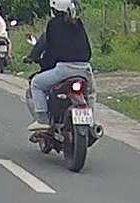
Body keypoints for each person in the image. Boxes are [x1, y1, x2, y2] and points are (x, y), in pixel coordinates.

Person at [25, 0, 92, 131]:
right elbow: (88, 50)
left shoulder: (53, 24)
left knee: (36, 84)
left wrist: (44, 63)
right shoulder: (78, 23)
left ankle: (42, 120)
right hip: (85, 69)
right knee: (90, 93)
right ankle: (91, 121)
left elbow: (52, 51)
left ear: (53, 9)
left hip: (64, 69)